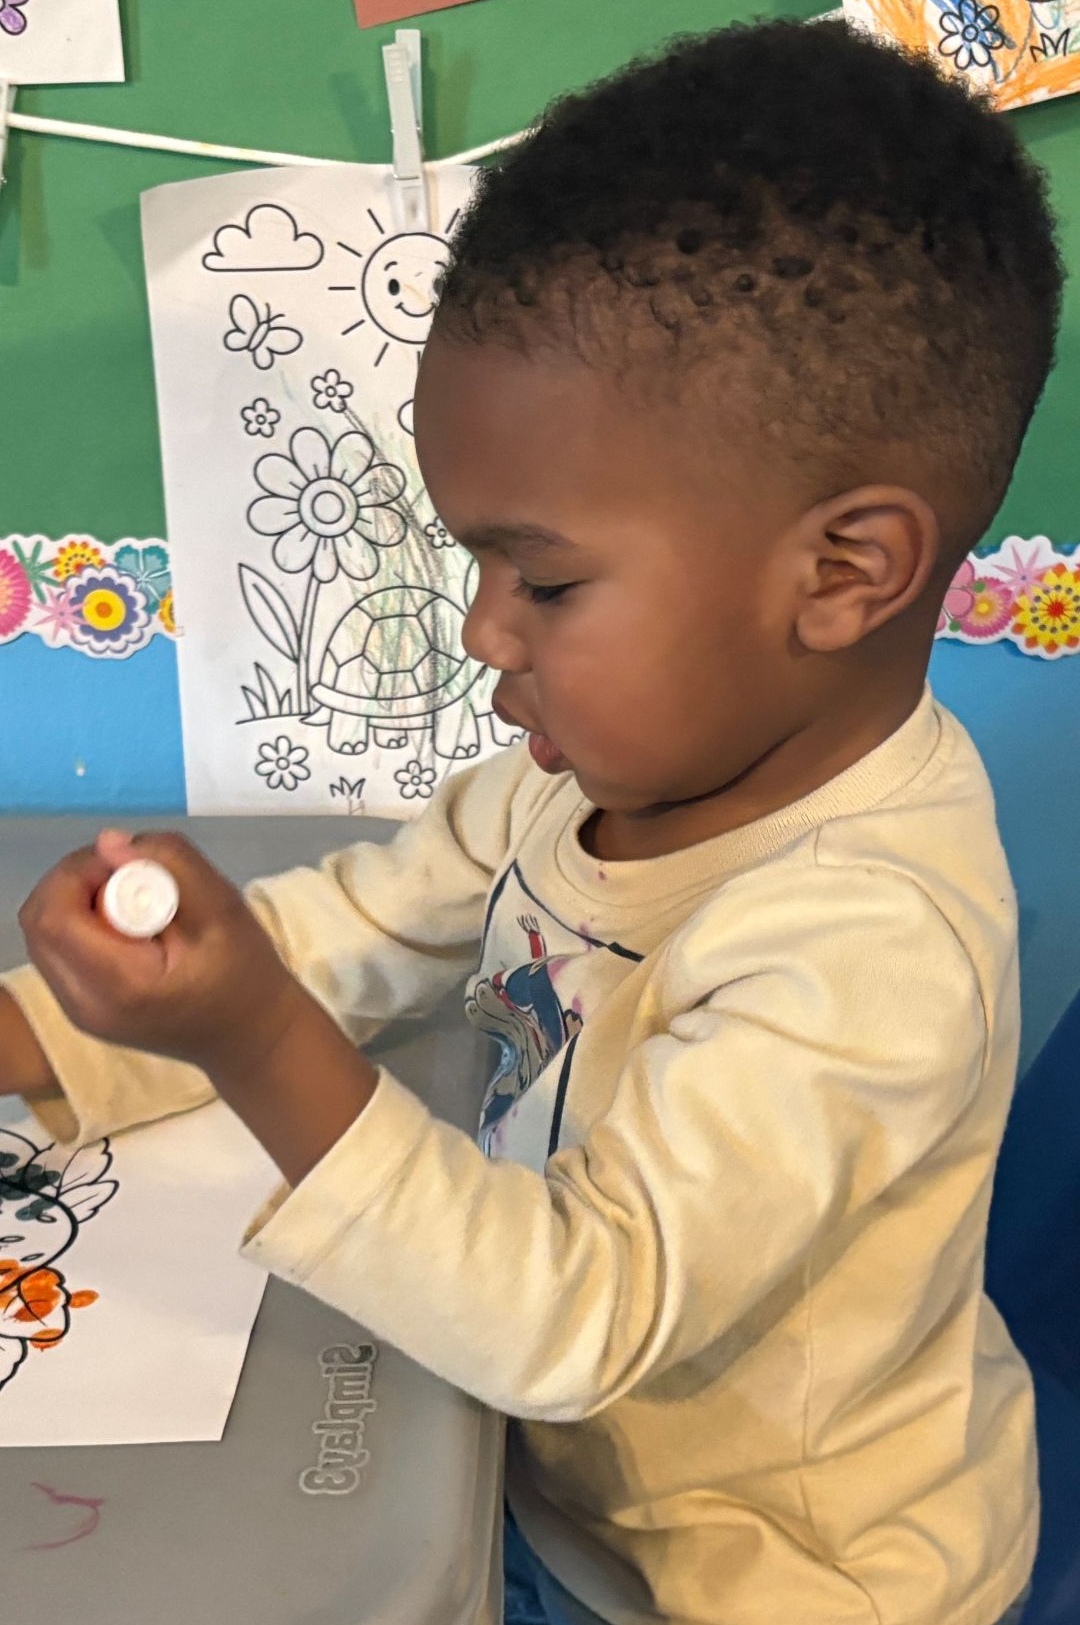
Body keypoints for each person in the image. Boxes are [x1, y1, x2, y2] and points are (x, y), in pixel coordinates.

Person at [0, 19, 1059, 1625]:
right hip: (544, 1471)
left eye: (545, 579)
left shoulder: (870, 943)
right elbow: (362, 923)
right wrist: (46, 1036)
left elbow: (581, 1310)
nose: (488, 633)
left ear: (843, 573)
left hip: (782, 1580)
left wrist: (249, 1037)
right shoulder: (591, 773)